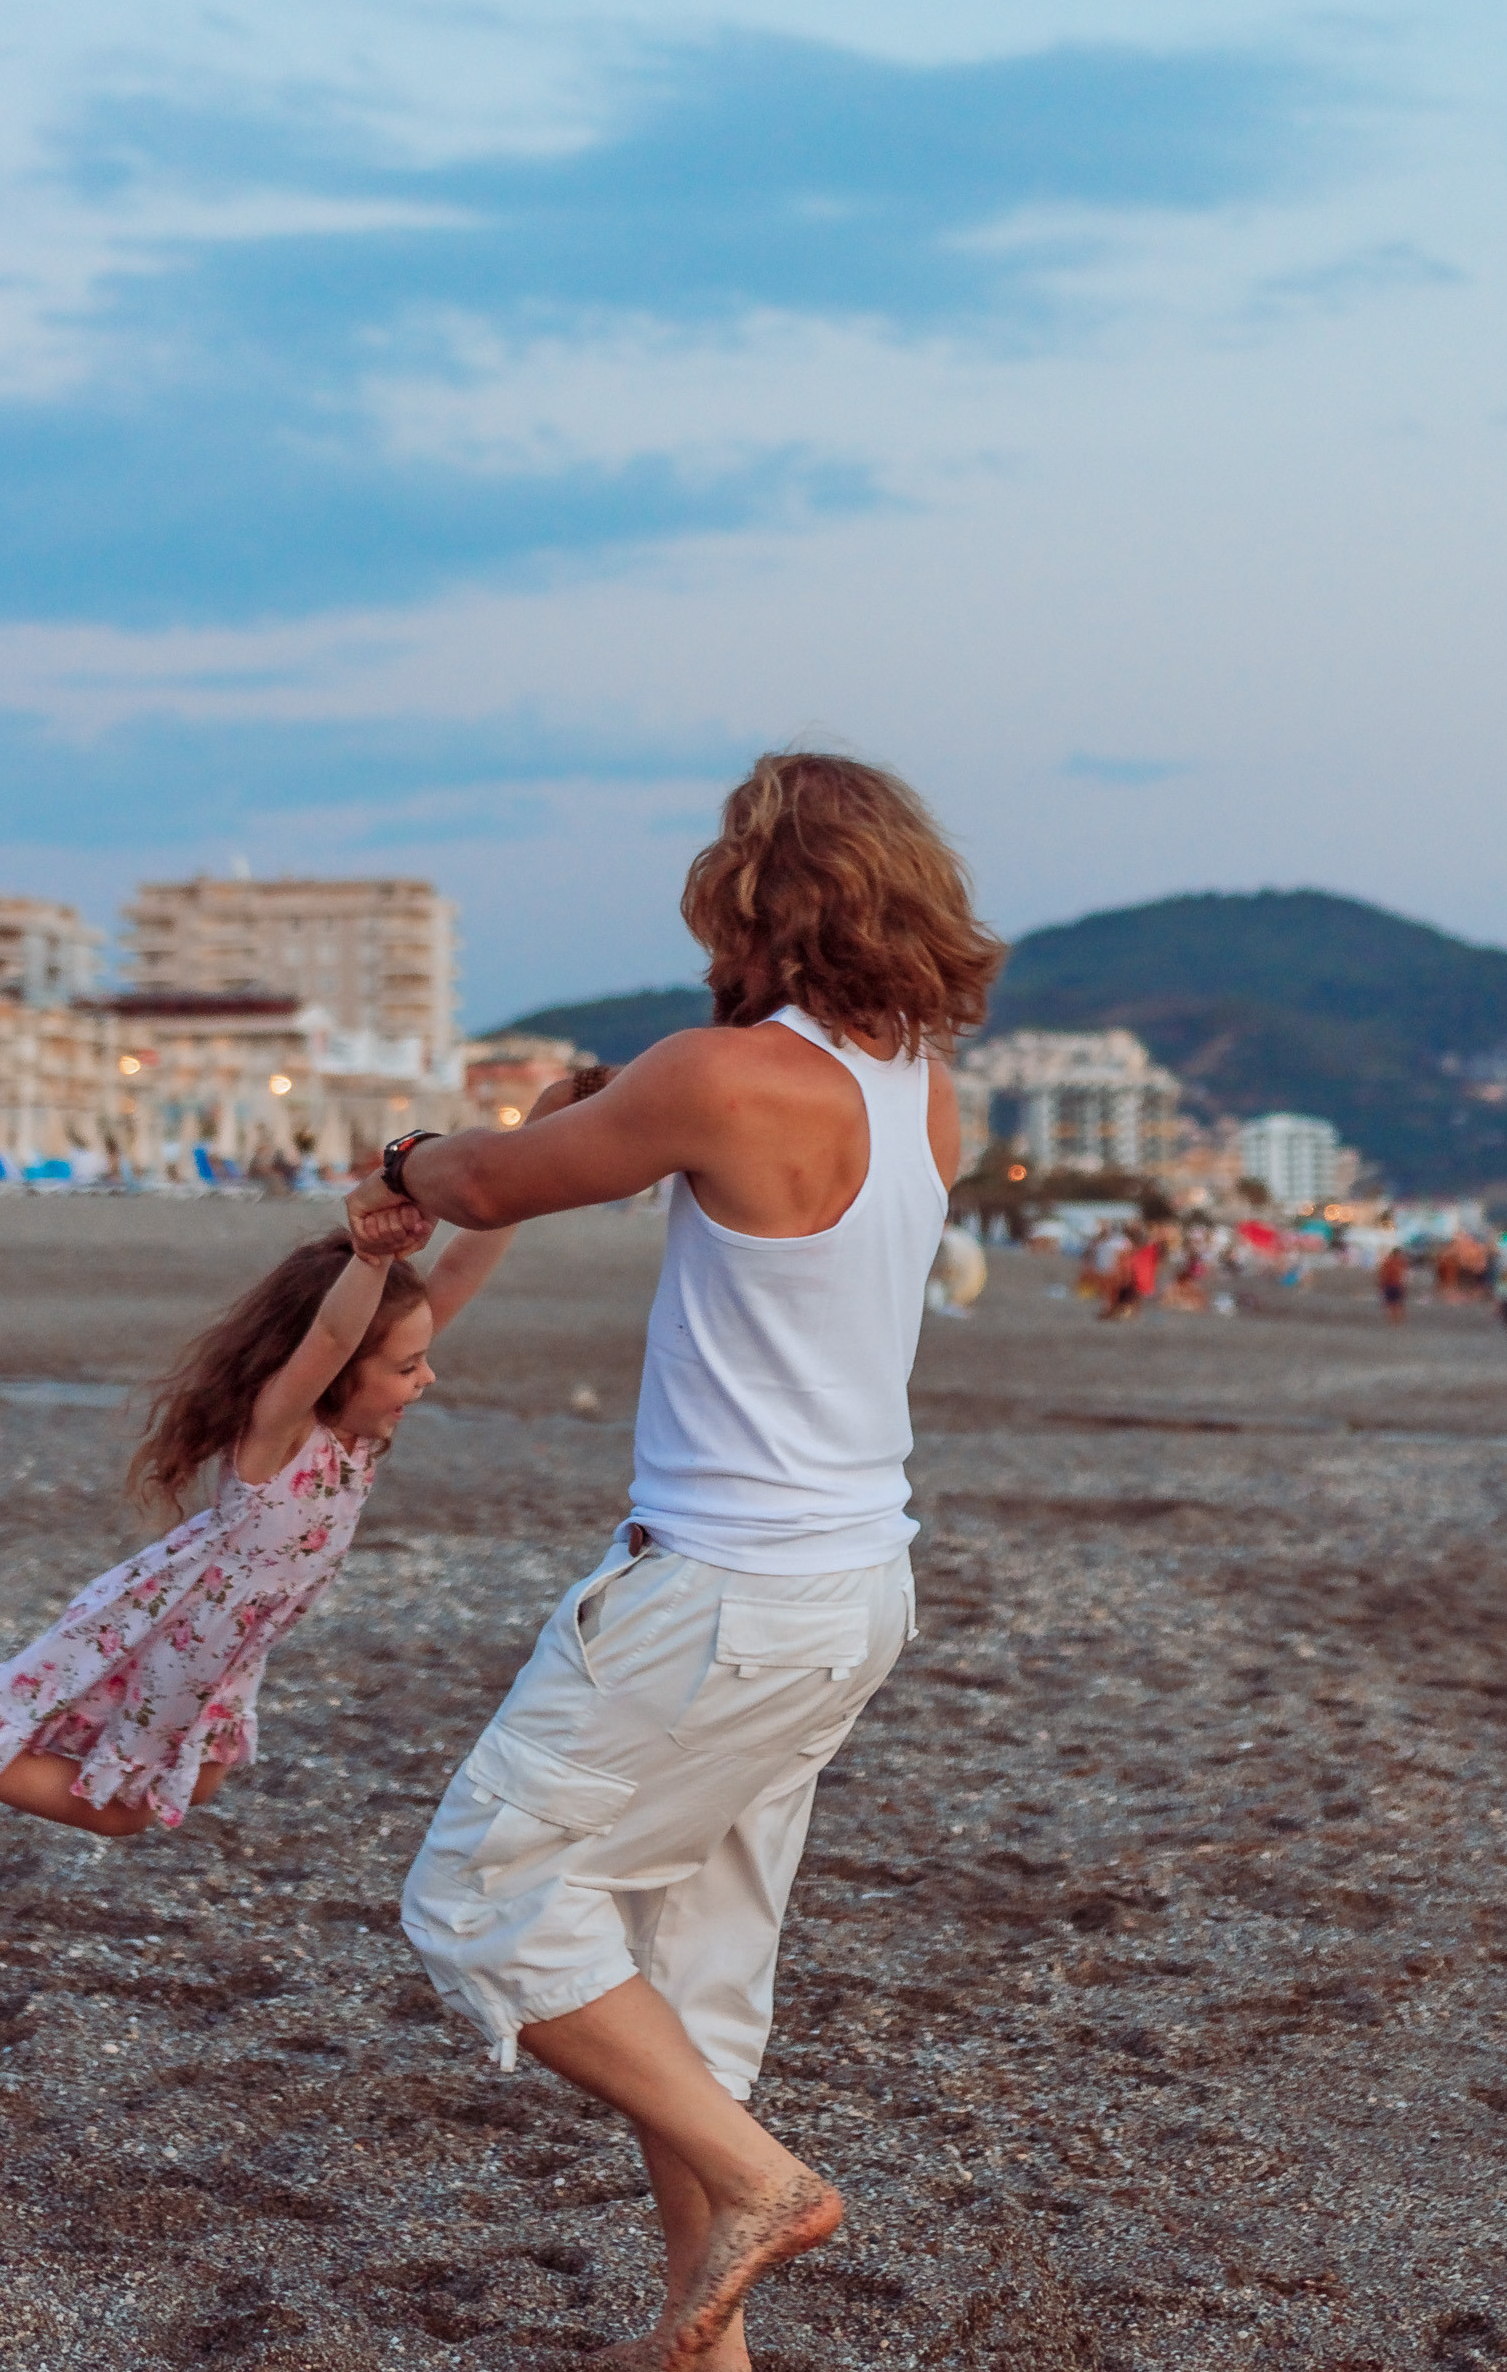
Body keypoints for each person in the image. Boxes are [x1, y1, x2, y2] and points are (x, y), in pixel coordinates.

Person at [347, 752, 1003, 2372]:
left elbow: (496, 1182)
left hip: (715, 1590)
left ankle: (762, 2180)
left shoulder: (724, 1073)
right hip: (851, 1590)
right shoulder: (927, 1094)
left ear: (760, 900)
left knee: (478, 1889)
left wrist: (403, 1160)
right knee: (695, 1963)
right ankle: (703, 2342)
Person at [0, 1221, 516, 1837]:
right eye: (406, 1367)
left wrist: (521, 1180)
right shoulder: (281, 1433)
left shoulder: (356, 1432)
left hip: (236, 1644)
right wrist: (370, 1260)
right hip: (191, 1630)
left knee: (198, 1780)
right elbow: (335, 1337)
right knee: (118, 1812)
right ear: (336, 1374)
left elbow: (453, 1275)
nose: (426, 1377)